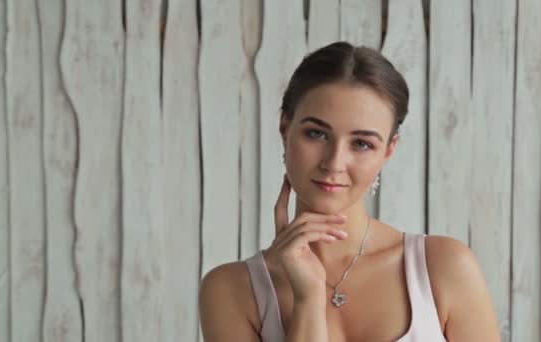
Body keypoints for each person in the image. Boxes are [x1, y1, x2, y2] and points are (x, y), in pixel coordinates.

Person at [199, 41, 501, 341]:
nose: (334, 163)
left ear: (388, 150)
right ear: (284, 127)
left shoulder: (443, 268)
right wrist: (308, 299)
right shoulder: (231, 290)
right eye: (316, 134)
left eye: (361, 143)